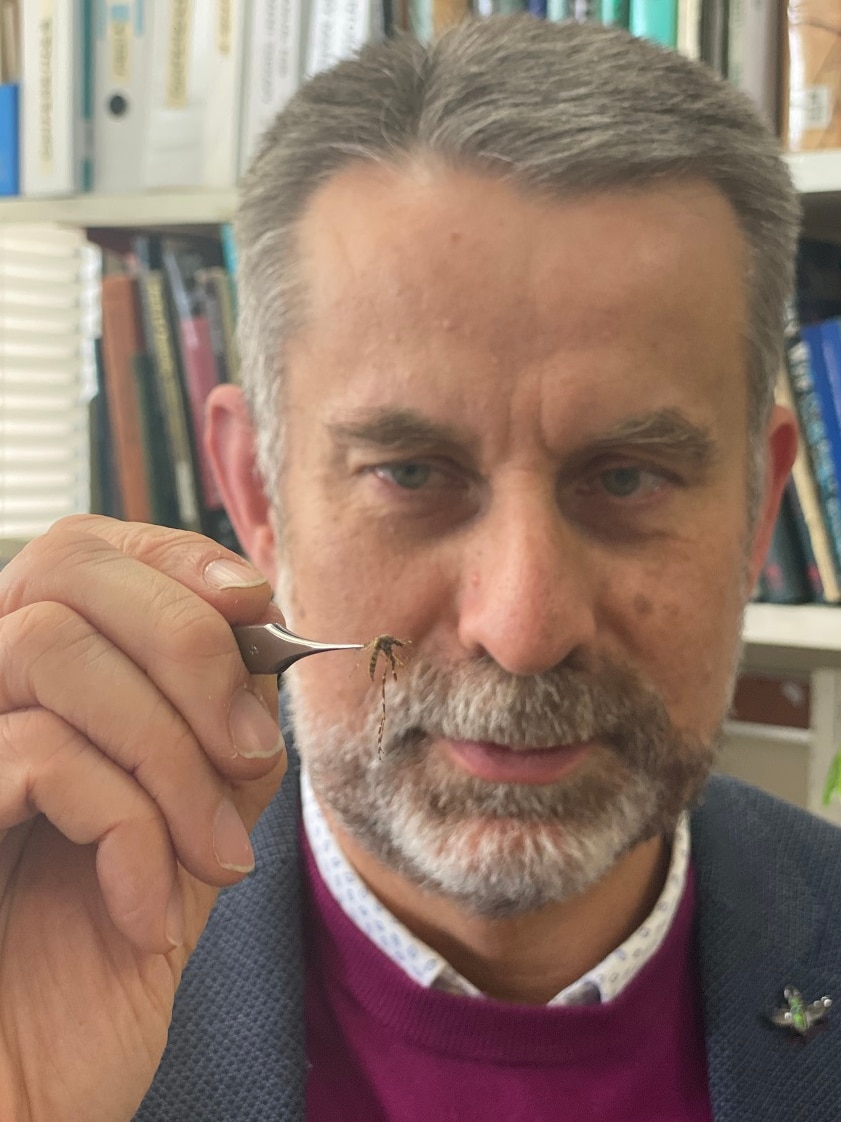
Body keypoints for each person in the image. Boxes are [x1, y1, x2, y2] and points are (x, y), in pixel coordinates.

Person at [0, 14, 838, 1121]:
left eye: (627, 479)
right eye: (408, 472)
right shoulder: (43, 964)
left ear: (756, 507)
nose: (522, 625)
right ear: (254, 492)